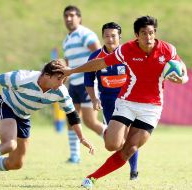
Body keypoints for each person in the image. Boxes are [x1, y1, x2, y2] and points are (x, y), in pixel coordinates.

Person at [55, 15, 189, 189]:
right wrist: (72, 70)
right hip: (127, 103)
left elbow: (182, 69)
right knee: (112, 145)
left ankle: (91, 178)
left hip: (151, 108)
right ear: (136, 35)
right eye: (143, 33)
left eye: (151, 33)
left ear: (155, 33)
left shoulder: (168, 50)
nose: (148, 37)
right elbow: (100, 63)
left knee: (130, 148)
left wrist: (182, 79)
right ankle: (116, 139)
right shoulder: (126, 50)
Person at [0, 59, 95, 185]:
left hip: (24, 116)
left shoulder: (61, 92)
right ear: (47, 75)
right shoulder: (22, 78)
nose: (62, 83)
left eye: (64, 79)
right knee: (9, 144)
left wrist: (82, 138)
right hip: (6, 105)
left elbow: (72, 115)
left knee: (16, 163)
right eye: (59, 79)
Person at [84, 22, 139, 180]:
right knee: (115, 143)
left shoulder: (129, 54)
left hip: (128, 100)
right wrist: (94, 99)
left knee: (130, 137)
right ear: (103, 37)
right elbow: (88, 81)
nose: (110, 39)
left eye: (113, 35)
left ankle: (134, 171)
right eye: (107, 36)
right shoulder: (95, 57)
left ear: (119, 37)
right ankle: (109, 134)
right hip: (108, 103)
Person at [62, 5, 104, 164]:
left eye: (72, 15)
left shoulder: (85, 34)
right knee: (71, 119)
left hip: (88, 83)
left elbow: (100, 54)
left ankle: (119, 141)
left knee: (90, 121)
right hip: (74, 85)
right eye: (66, 16)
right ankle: (74, 156)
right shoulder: (66, 40)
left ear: (79, 18)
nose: (69, 18)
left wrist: (96, 77)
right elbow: (67, 64)